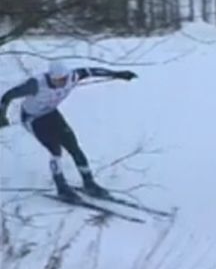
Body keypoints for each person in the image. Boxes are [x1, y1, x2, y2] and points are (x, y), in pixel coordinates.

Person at [0, 60, 137, 201]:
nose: (62, 83)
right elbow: (8, 96)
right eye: (58, 80)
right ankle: (61, 187)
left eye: (64, 79)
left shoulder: (72, 76)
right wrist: (2, 115)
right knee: (55, 149)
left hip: (51, 113)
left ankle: (89, 183)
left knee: (73, 146)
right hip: (32, 118)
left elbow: (93, 71)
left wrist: (117, 74)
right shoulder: (36, 84)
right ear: (51, 77)